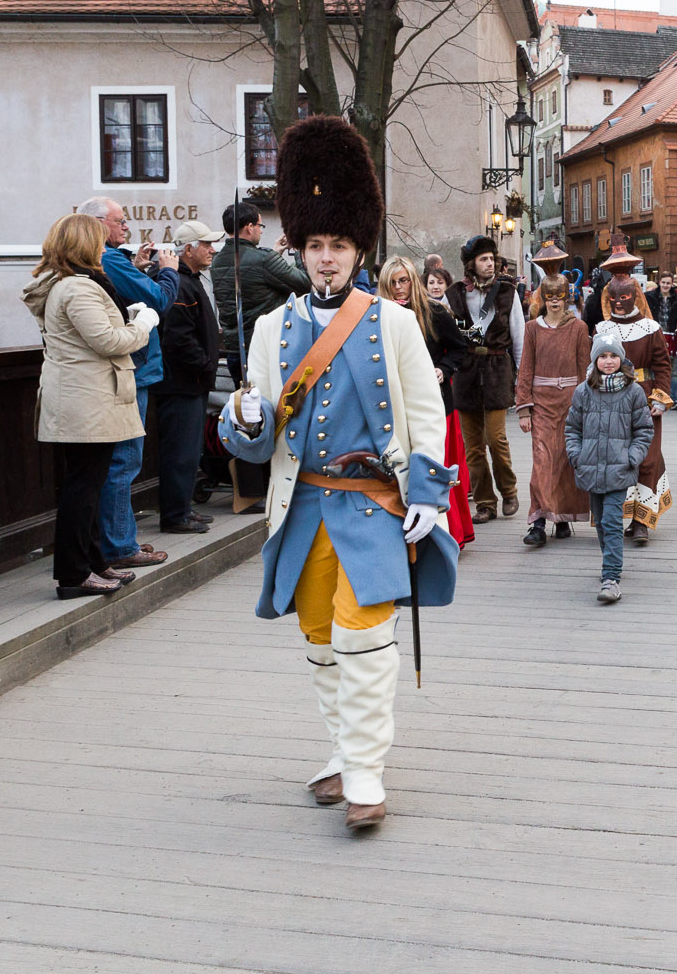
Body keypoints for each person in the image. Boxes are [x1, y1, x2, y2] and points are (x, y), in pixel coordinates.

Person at [217, 116, 457, 832]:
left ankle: (365, 773)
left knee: (363, 636)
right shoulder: (270, 330)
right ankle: (340, 749)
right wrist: (249, 421)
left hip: (372, 509)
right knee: (320, 640)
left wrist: (429, 496)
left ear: (358, 250)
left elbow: (427, 416)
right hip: (302, 509)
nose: (325, 259)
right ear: (298, 246)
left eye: (338, 246)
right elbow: (250, 444)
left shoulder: (393, 324)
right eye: (315, 246)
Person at [21, 214, 156, 600]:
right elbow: (109, 341)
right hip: (85, 401)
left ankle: (94, 564)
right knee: (82, 490)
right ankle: (74, 574)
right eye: (98, 241)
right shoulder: (78, 288)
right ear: (84, 245)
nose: (103, 248)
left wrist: (127, 318)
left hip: (84, 399)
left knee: (88, 487)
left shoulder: (71, 285)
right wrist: (143, 323)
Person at [77, 196, 179, 570]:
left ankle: (120, 538)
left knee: (121, 461)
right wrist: (168, 270)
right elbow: (157, 301)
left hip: (127, 371)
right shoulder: (108, 258)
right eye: (120, 221)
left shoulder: (107, 260)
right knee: (123, 461)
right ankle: (119, 546)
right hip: (129, 370)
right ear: (99, 224)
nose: (127, 228)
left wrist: (138, 270)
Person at [380, 256, 473, 549]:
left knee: (436, 468)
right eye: (392, 282)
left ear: (412, 281)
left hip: (435, 405)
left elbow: (460, 349)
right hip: (393, 406)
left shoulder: (434, 312)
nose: (399, 288)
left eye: (403, 280)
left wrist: (443, 370)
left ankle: (448, 535)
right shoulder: (376, 315)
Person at [564, 334, 654, 604]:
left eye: (613, 356)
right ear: (595, 359)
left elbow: (643, 430)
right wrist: (576, 456)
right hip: (590, 467)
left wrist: (632, 456)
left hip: (619, 468)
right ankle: (609, 559)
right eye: (602, 356)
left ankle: (611, 577)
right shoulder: (583, 391)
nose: (608, 361)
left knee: (613, 522)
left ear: (621, 359)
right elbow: (572, 428)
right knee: (601, 522)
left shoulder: (633, 391)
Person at [152, 220, 223, 534]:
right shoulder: (181, 284)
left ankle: (182, 509)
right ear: (189, 249)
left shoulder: (188, 279)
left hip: (189, 382)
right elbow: (177, 338)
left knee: (188, 450)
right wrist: (206, 365)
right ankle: (175, 515)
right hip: (181, 383)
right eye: (206, 244)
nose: (212, 250)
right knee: (180, 451)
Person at [449, 235, 525, 524]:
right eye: (483, 259)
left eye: (492, 258)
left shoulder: (508, 292)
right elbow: (444, 334)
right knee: (473, 446)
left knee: (496, 438)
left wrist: (521, 379)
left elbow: (518, 337)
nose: (489, 263)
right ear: (471, 264)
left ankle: (508, 490)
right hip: (466, 371)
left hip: (497, 368)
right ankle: (485, 502)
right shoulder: (454, 293)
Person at [516, 265, 591, 547]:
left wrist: (587, 408)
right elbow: (525, 368)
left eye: (559, 295)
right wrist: (524, 407)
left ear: (567, 297)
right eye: (549, 296)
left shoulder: (578, 328)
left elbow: (585, 370)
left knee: (565, 460)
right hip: (542, 402)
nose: (555, 301)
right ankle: (538, 521)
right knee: (542, 460)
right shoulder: (532, 329)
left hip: (571, 402)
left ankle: (561, 517)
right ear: (543, 299)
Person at [598, 275, 672, 545]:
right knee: (615, 458)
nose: (618, 303)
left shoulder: (650, 327)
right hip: (611, 397)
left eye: (624, 298)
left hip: (644, 396)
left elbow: (663, 365)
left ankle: (641, 521)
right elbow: (593, 365)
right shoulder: (602, 328)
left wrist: (660, 398)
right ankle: (614, 517)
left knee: (647, 457)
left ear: (635, 297)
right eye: (613, 298)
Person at [213, 201, 311, 383]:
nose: (261, 230)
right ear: (249, 228)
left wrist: (275, 254)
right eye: (260, 225)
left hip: (235, 351)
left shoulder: (217, 261)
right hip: (264, 350)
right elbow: (305, 284)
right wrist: (298, 252)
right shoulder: (264, 260)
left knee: (244, 407)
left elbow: (255, 280)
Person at [646, 269, 677, 407]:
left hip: (672, 334)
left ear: (672, 284)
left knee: (674, 369)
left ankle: (675, 399)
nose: (666, 285)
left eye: (668, 283)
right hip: (655, 335)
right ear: (659, 282)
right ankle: (655, 397)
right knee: (654, 368)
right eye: (664, 282)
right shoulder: (649, 297)